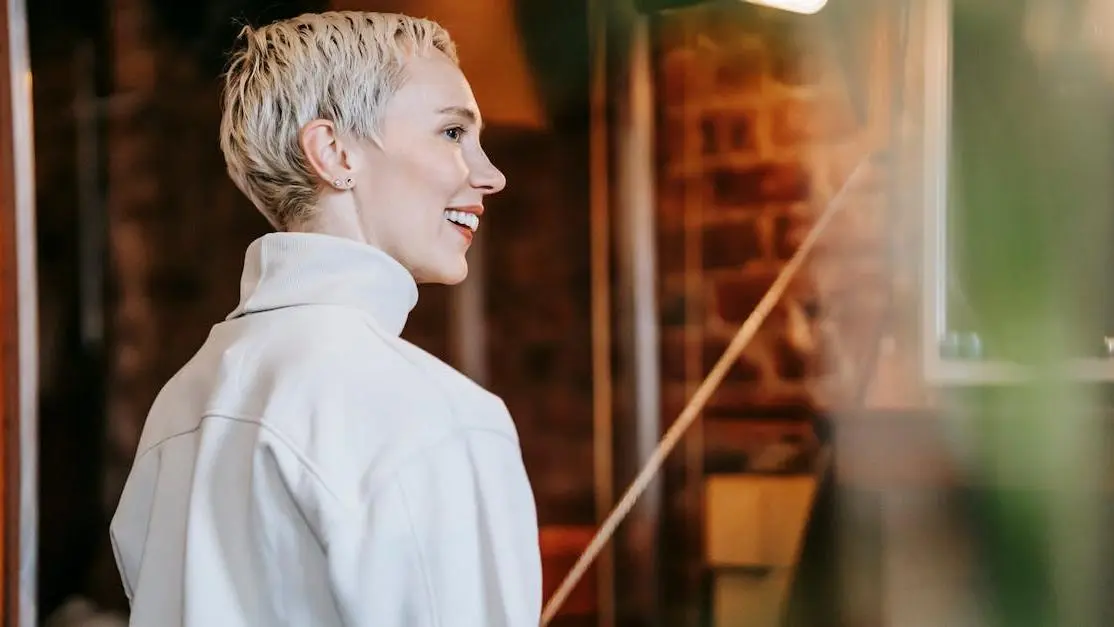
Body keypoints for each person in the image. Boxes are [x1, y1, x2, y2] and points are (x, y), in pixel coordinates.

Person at [109, 11, 542, 626]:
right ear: (334, 151)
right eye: (452, 133)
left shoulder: (181, 404)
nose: (490, 174)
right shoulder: (436, 415)